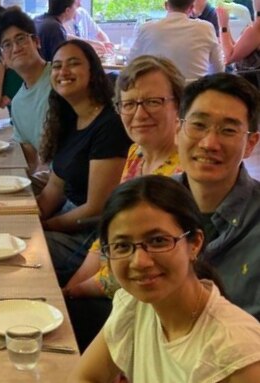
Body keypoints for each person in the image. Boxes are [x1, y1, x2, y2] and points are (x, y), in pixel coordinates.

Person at [69, 176, 260, 382]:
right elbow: (86, 377)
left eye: (158, 241)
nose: (140, 262)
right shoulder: (133, 305)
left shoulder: (236, 352)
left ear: (194, 243)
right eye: (122, 246)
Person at [61, 55, 186, 351]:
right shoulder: (137, 154)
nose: (139, 114)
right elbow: (108, 237)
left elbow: (142, 262)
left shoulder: (183, 173)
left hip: (145, 301)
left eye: (153, 102)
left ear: (178, 105)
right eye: (129, 104)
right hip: (114, 281)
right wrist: (73, 285)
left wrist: (76, 291)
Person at [37, 40, 132, 287]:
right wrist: (32, 217)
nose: (63, 72)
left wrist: (44, 227)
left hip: (89, 235)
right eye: (57, 66)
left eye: (73, 64)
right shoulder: (70, 119)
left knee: (23, 249)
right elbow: (53, 189)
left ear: (93, 71)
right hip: (66, 219)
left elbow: (96, 208)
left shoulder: (110, 125)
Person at [175, 72, 260, 319]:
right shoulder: (151, 203)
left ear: (251, 144)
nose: (209, 143)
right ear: (177, 131)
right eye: (199, 125)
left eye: (228, 130)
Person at [0, 6, 52, 173]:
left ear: (36, 41)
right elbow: (28, 159)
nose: (16, 48)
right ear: (2, 58)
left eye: (21, 39)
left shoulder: (60, 80)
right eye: (7, 45)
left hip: (75, 185)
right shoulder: (17, 103)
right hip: (51, 181)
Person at [128, 0, 223, 81]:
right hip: (194, 97)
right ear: (191, 7)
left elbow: (131, 63)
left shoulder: (146, 28)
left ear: (166, 5)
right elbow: (218, 69)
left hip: (158, 95)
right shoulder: (206, 28)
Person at [218, 1, 260, 69]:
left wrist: (223, 26)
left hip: (247, 78)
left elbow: (229, 58)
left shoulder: (257, 29)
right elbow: (237, 50)